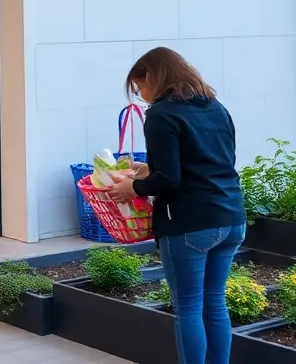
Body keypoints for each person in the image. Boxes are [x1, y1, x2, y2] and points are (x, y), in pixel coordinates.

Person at [108, 47, 246, 364]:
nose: (142, 96)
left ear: (155, 78)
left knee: (188, 307)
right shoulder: (215, 107)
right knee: (214, 302)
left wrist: (134, 187)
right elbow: (210, 163)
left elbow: (169, 180)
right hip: (231, 218)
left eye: (141, 87)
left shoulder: (161, 115)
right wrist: (146, 172)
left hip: (190, 224)